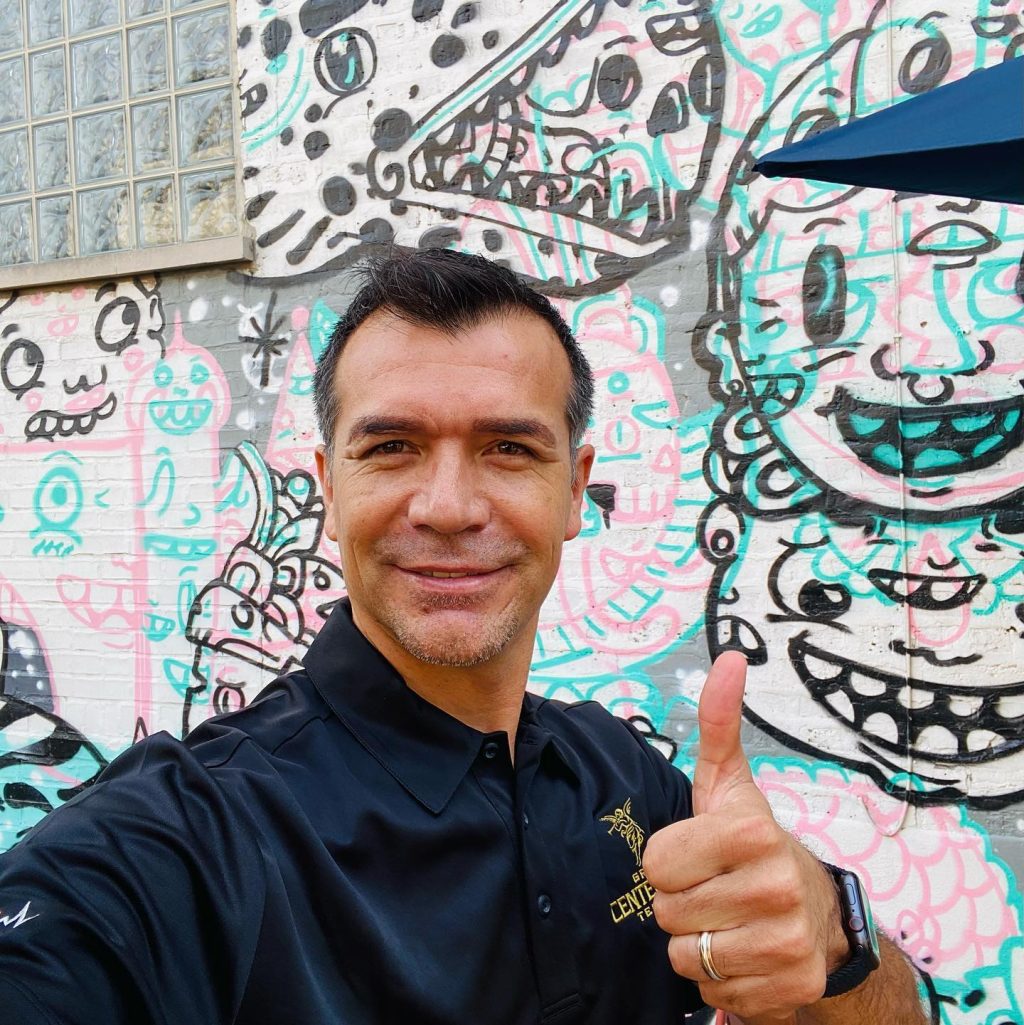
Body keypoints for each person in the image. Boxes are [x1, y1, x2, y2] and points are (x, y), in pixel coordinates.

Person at [0, 249, 927, 1025]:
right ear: (329, 487)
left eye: (508, 448)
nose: (447, 507)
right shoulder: (189, 840)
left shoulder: (622, 774)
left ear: (575, 490)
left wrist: (834, 936)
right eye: (392, 447)